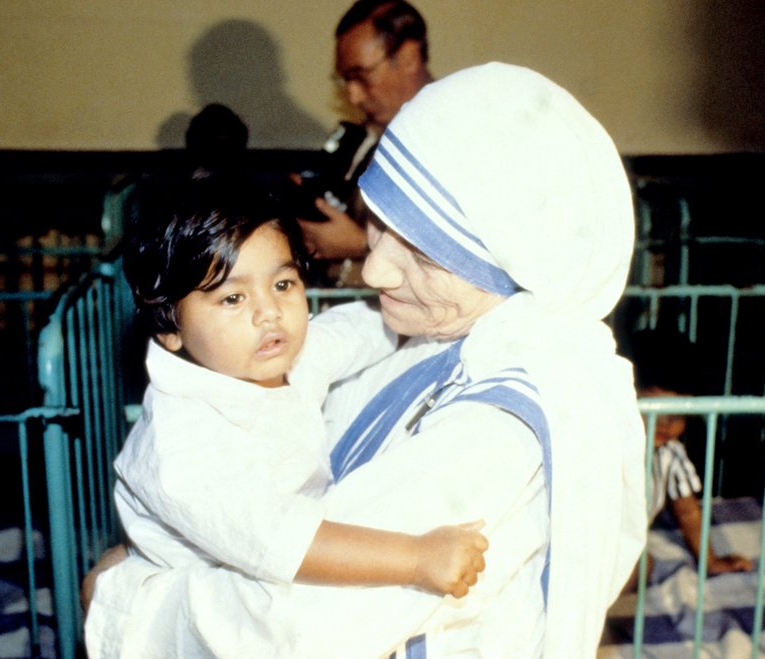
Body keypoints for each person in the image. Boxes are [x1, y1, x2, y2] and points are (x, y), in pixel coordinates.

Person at [83, 62, 647, 657]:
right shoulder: (448, 328)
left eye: (423, 254)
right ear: (169, 328)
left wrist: (126, 601)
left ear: (511, 260)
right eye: (375, 224)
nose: (373, 270)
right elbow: (353, 335)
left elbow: (291, 626)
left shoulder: (501, 424)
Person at [90, 183, 488, 654]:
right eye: (232, 299)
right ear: (170, 327)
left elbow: (362, 330)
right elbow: (290, 544)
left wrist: (440, 311)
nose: (270, 313)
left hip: (259, 548)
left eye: (282, 285)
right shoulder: (184, 450)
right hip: (193, 617)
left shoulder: (283, 355)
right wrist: (416, 557)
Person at [296, 0, 434, 271]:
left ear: (408, 56)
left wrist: (361, 245)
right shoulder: (361, 137)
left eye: (361, 76)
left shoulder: (458, 131)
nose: (353, 96)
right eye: (344, 80)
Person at [622, 329, 754, 576]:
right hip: (586, 538)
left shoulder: (671, 455)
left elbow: (688, 512)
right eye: (655, 411)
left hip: (622, 548)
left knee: (643, 568)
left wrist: (710, 561)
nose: (666, 424)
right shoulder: (607, 446)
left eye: (678, 415)